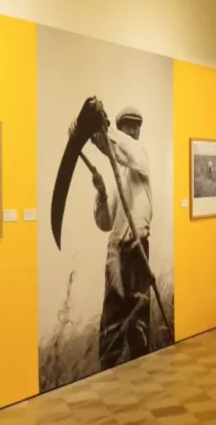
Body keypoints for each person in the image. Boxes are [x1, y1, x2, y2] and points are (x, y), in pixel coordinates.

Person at [75, 105, 155, 370]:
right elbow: (105, 223)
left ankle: (141, 379)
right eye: (128, 126)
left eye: (136, 126)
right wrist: (101, 193)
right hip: (115, 253)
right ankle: (107, 382)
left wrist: (103, 130)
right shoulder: (114, 174)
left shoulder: (140, 159)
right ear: (121, 128)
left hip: (136, 248)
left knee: (138, 323)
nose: (134, 131)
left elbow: (127, 152)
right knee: (112, 324)